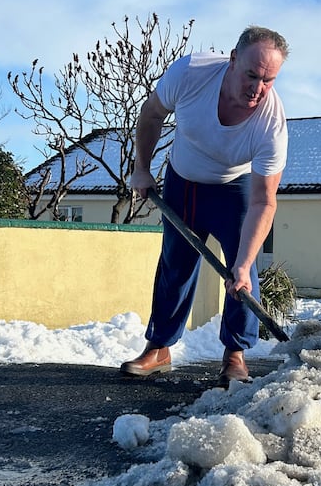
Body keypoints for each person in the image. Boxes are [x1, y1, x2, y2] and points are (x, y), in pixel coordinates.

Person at [121, 25, 289, 386]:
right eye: (251, 74)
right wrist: (142, 169)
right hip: (183, 182)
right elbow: (151, 114)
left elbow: (264, 200)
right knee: (174, 266)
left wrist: (243, 264)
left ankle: (235, 355)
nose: (257, 88)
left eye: (268, 80)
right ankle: (159, 348)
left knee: (243, 273)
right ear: (232, 60)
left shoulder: (271, 124)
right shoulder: (191, 73)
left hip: (236, 190)